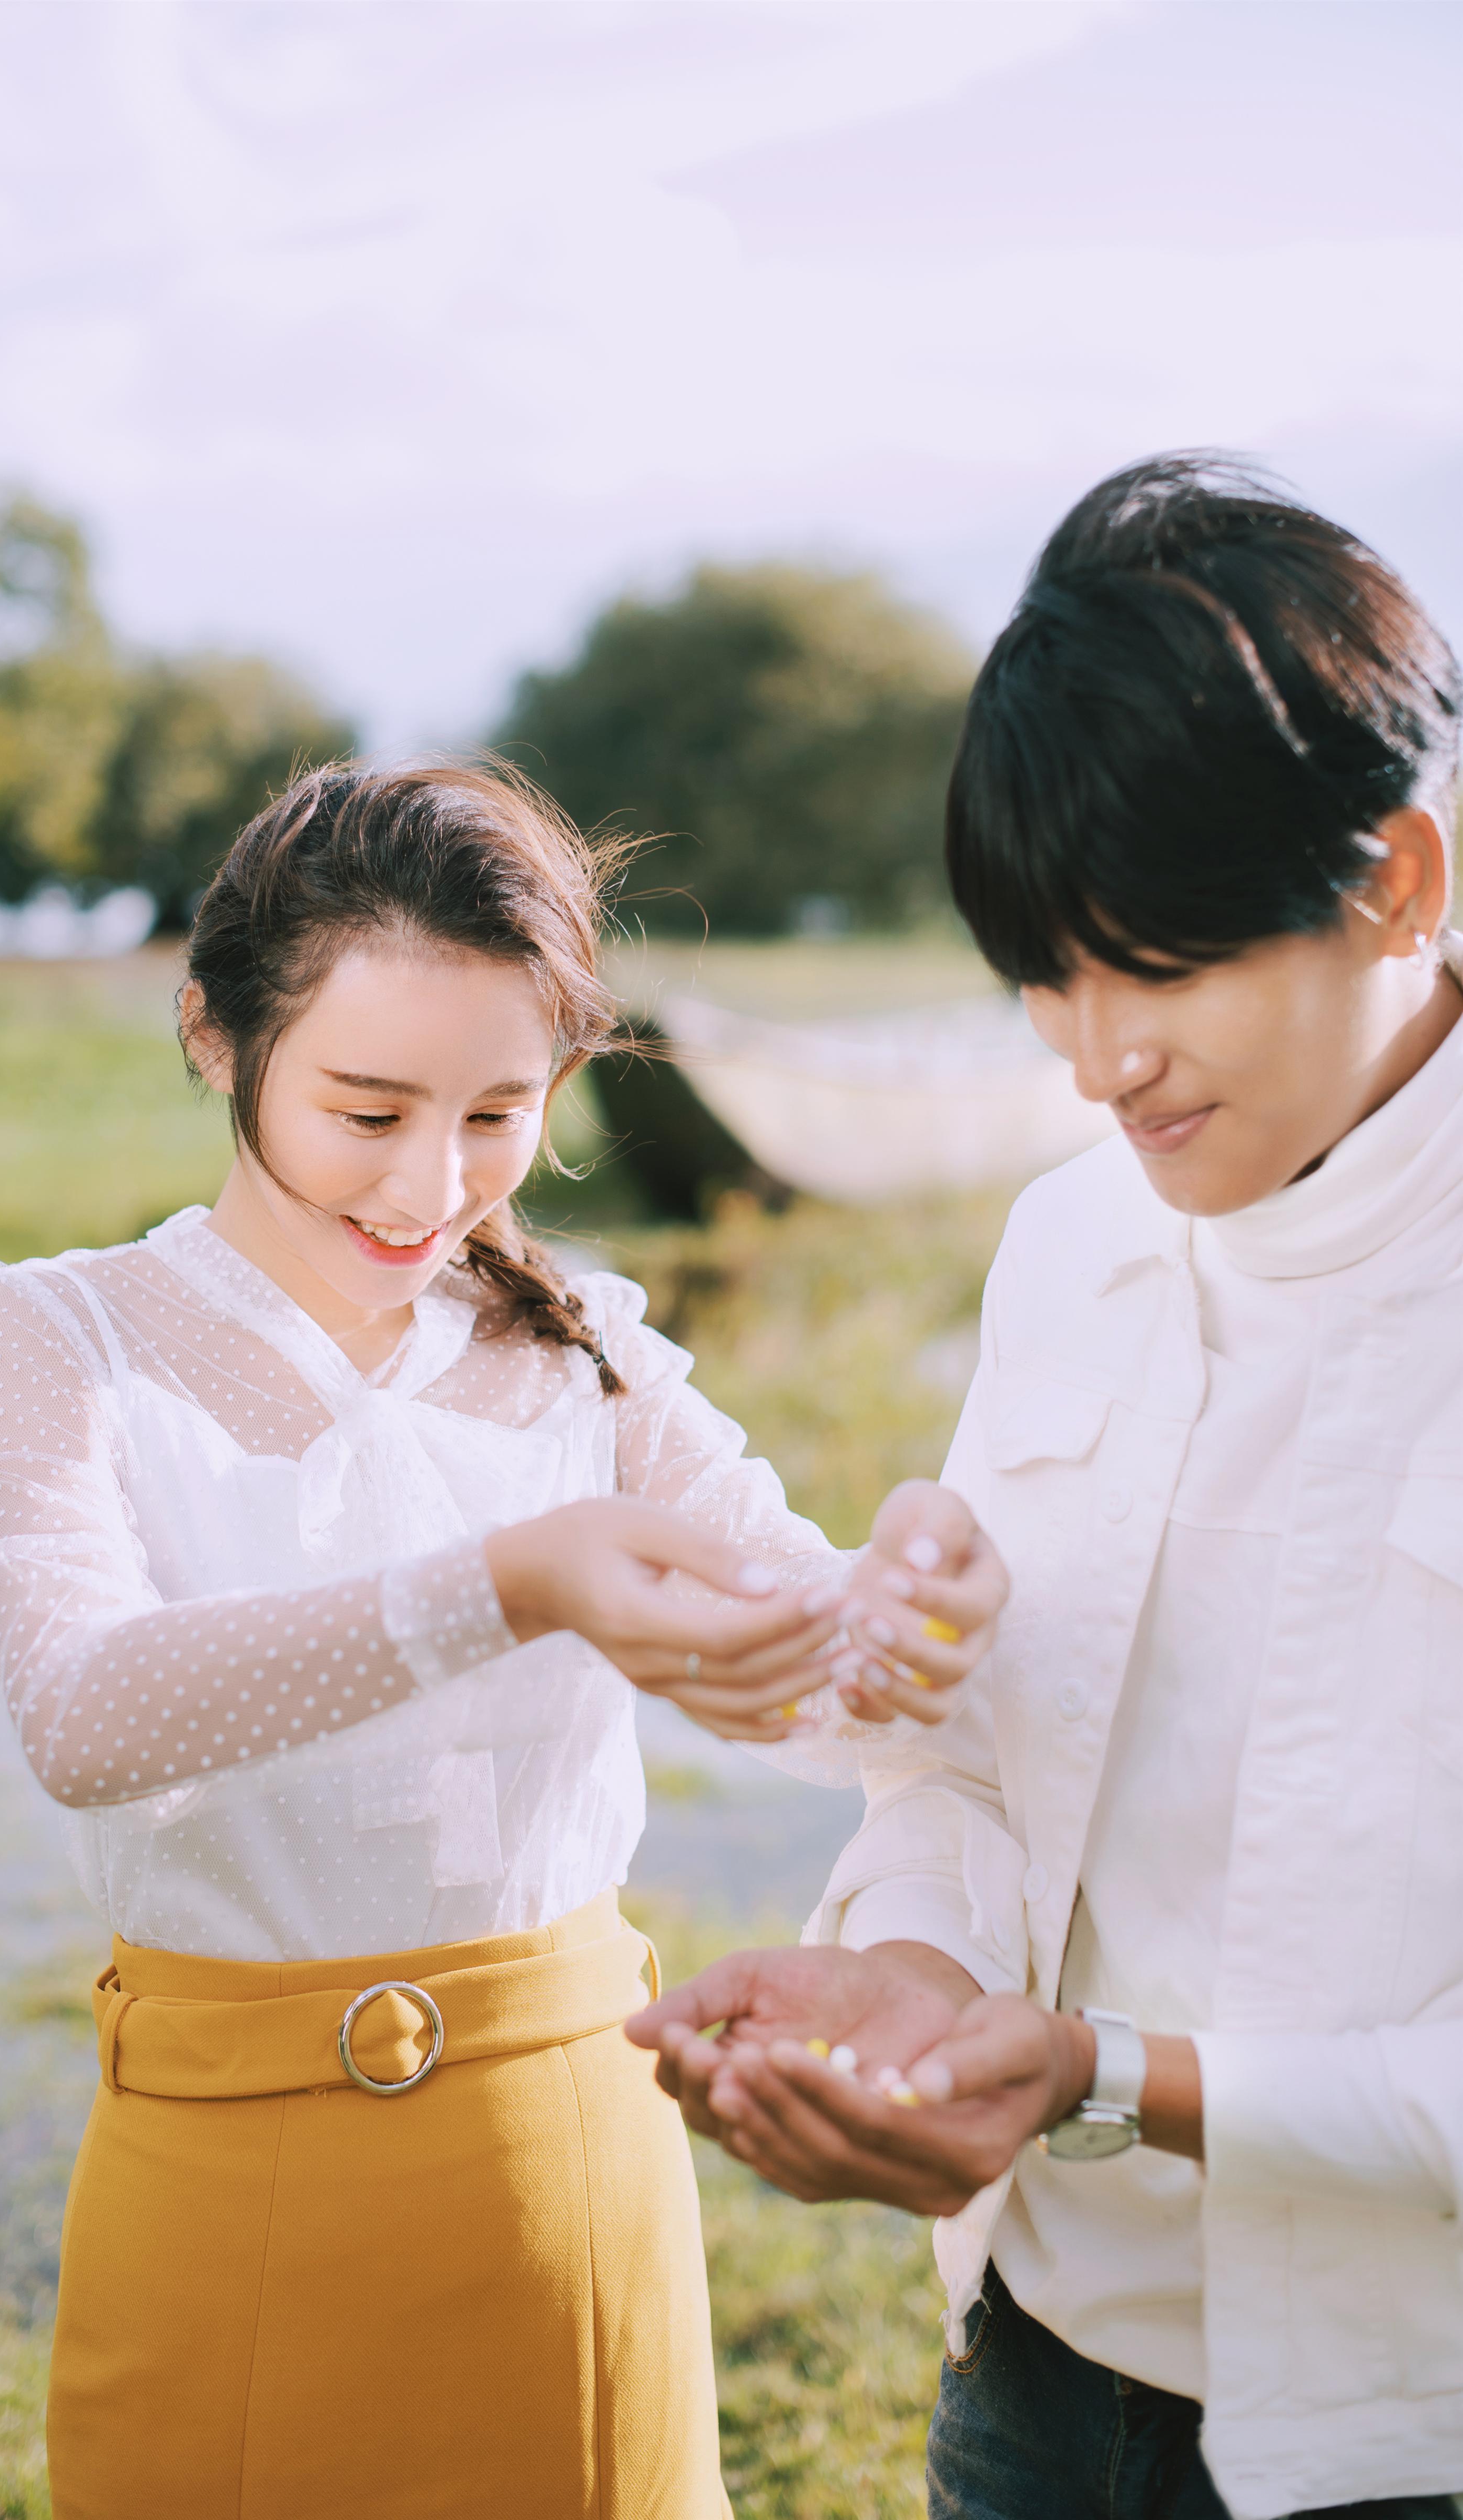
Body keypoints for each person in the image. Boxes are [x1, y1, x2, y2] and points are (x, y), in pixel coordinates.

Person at [0, 759, 1007, 2520]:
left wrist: (913, 1588)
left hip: (566, 2163)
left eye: (498, 1113)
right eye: (368, 1111)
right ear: (217, 1039)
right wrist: (510, 1583)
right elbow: (83, 1708)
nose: (431, 1186)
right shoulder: (60, 1335)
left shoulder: (582, 1343)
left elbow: (830, 1684)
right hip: (219, 2167)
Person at [631, 457, 1463, 2520]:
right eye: (1042, 970)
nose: (1098, 1059)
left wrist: (1107, 2075)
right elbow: (975, 1773)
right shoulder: (1063, 1244)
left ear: (1397, 882)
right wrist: (913, 1971)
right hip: (1035, 2380)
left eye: (1160, 965)